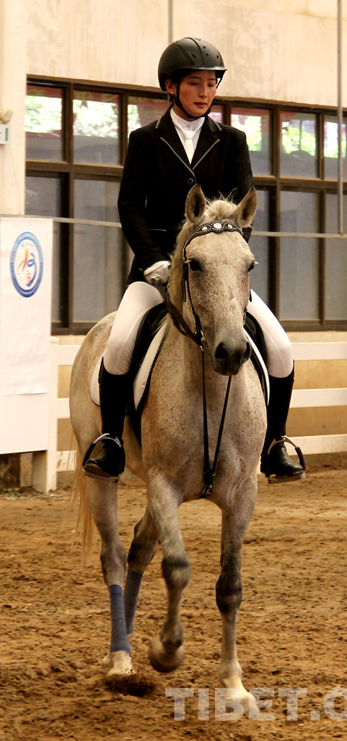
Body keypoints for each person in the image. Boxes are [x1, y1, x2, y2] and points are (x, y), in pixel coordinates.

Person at [83, 36, 305, 482]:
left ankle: (275, 443)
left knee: (280, 347)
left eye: (211, 84)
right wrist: (152, 259)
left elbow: (242, 209)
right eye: (195, 84)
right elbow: (130, 206)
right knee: (120, 343)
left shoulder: (232, 140)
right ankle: (110, 440)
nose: (205, 92)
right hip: (156, 273)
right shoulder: (145, 140)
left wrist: (226, 258)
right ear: (171, 87)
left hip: (215, 274)